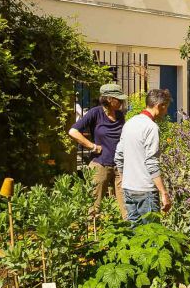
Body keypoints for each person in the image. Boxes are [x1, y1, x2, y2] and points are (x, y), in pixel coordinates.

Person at [68, 83, 127, 219]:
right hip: (100, 164)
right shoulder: (95, 113)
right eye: (118, 99)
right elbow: (73, 131)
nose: (121, 102)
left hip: (120, 166)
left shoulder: (120, 115)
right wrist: (92, 146)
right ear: (108, 99)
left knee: (126, 205)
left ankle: (129, 234)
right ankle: (94, 235)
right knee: (94, 207)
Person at [114, 88, 172, 226]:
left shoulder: (130, 123)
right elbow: (151, 162)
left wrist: (124, 180)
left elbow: (118, 156)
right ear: (159, 106)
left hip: (129, 188)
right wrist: (163, 192)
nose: (166, 111)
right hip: (145, 190)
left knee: (136, 236)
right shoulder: (151, 127)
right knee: (151, 236)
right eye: (166, 108)